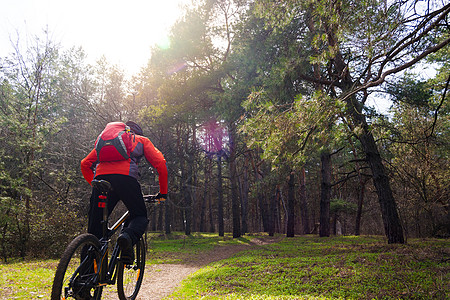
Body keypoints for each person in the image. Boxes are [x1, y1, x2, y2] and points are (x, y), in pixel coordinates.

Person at [81, 121, 168, 262]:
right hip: (126, 180)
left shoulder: (106, 142)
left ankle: (84, 277)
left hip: (101, 181)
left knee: (94, 231)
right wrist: (163, 192)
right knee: (139, 216)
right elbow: (161, 164)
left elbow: (85, 164)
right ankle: (126, 237)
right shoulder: (140, 140)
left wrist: (95, 184)